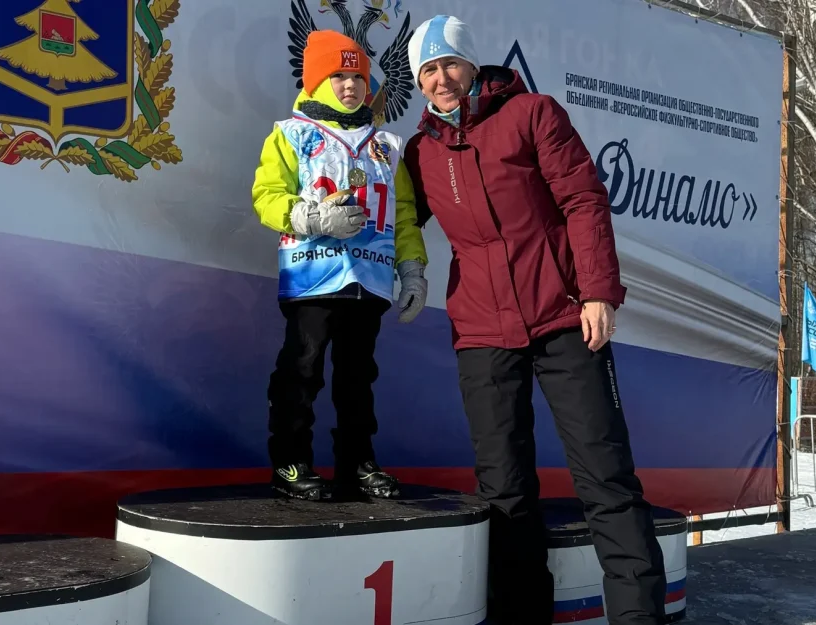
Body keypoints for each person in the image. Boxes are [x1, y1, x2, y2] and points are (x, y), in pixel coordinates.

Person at [402, 15, 666, 625]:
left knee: (605, 478)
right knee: (504, 493)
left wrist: (598, 291)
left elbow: (583, 199)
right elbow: (394, 222)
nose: (441, 79)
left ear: (472, 65)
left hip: (564, 319)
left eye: (449, 65)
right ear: (419, 83)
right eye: (428, 71)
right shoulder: (420, 152)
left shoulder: (532, 114)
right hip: (482, 335)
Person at [251, 30, 429, 502]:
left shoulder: (388, 144)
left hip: (368, 279)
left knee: (358, 378)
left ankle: (357, 463)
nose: (350, 85)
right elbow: (266, 197)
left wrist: (412, 269)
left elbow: (405, 214)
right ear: (315, 79)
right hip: (313, 275)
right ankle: (290, 462)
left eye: (358, 76)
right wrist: (308, 216)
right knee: (302, 369)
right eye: (338, 75)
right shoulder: (291, 133)